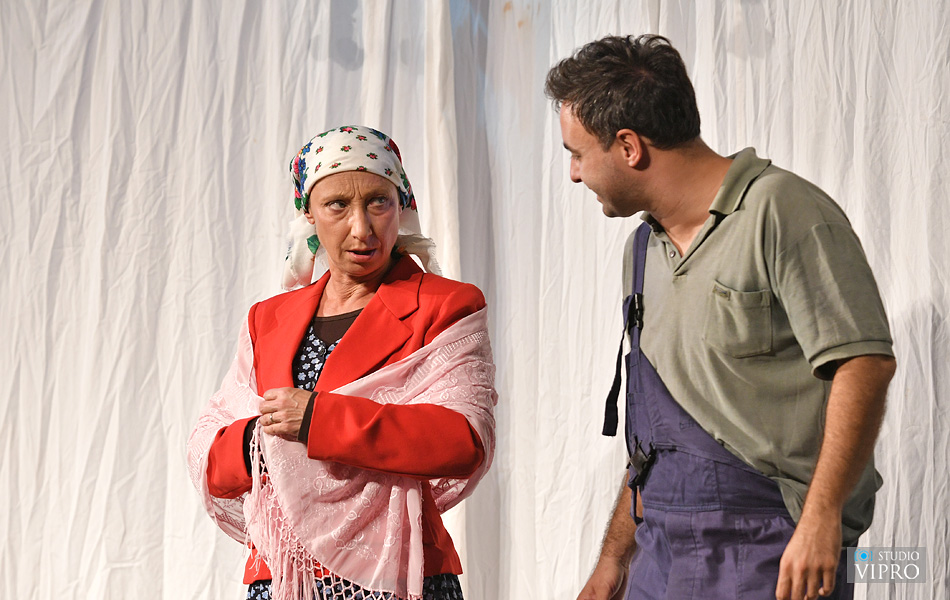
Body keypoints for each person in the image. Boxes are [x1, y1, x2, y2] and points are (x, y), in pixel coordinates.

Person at [545, 35, 896, 600]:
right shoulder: (643, 252)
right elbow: (658, 436)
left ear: (629, 146)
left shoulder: (782, 211)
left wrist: (822, 519)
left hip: (776, 554)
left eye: (577, 154)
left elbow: (864, 363)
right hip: (662, 561)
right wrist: (614, 560)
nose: (574, 174)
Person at [187, 126, 497, 600]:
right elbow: (212, 457)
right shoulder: (268, 318)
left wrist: (316, 420)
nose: (362, 229)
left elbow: (463, 440)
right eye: (337, 205)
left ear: (401, 205)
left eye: (378, 202)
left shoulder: (445, 305)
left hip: (398, 576)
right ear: (308, 214)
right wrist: (261, 440)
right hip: (281, 576)